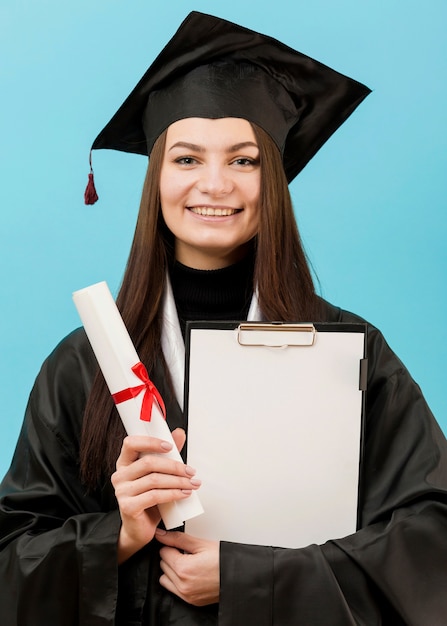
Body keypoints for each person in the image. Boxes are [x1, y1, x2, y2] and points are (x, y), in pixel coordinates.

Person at [1, 10, 446, 625]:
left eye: (244, 160)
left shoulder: (348, 351)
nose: (215, 185)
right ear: (156, 177)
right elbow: (10, 562)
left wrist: (253, 579)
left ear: (275, 178)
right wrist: (119, 535)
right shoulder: (86, 363)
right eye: (186, 159)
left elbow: (430, 544)